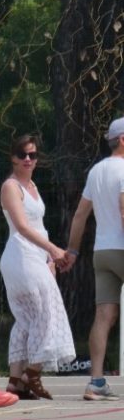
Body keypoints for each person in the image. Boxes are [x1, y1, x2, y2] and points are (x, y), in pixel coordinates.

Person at [0, 132, 74, 398]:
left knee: (27, 319)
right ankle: (32, 373)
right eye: (22, 155)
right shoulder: (11, 187)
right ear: (13, 157)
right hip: (20, 257)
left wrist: (49, 258)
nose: (28, 159)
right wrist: (53, 249)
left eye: (32, 154)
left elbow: (39, 226)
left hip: (36, 257)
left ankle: (15, 382)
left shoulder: (33, 186)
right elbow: (22, 226)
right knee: (47, 313)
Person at [64, 116, 124, 399]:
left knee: (104, 315)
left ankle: (96, 381)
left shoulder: (96, 171)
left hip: (102, 252)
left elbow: (80, 215)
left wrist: (73, 251)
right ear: (122, 140)